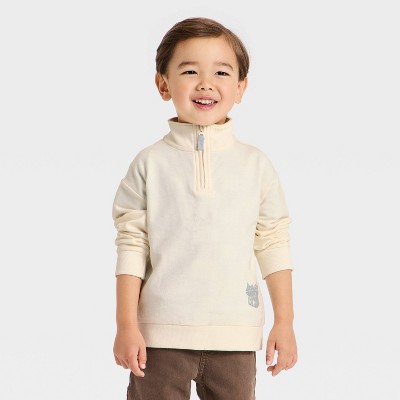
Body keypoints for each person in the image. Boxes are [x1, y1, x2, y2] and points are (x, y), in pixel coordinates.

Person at [111, 16, 298, 399]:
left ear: (241, 87)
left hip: (235, 334)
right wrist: (126, 325)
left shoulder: (256, 165)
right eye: (190, 71)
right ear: (163, 84)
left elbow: (273, 242)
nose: (206, 83)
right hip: (159, 335)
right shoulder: (149, 163)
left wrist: (285, 322)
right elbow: (132, 245)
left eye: (221, 72)